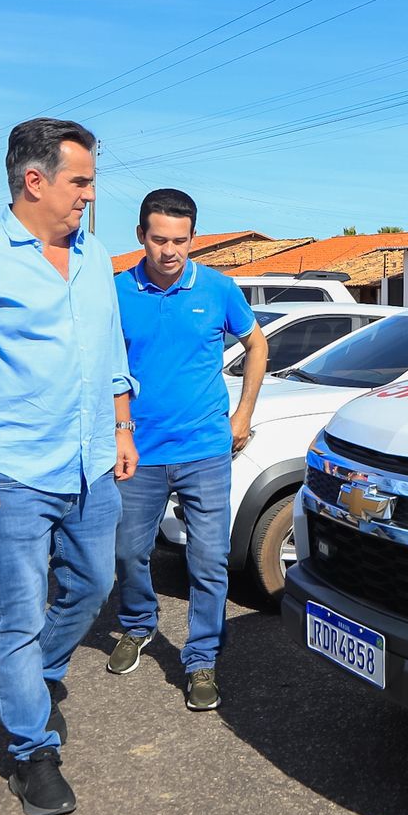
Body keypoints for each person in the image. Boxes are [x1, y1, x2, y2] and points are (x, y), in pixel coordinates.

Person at [0, 117, 136, 815]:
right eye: (81, 182)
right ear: (34, 180)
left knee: (94, 583)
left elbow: (110, 351)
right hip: (11, 469)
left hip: (90, 463)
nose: (90, 195)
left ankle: (36, 676)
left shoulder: (93, 256)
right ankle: (31, 752)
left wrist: (122, 426)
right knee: (15, 612)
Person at [108, 189, 267, 710]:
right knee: (128, 551)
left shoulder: (218, 288)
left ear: (193, 238)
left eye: (180, 240)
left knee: (209, 559)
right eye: (159, 239)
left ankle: (201, 659)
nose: (169, 251)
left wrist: (243, 413)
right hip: (139, 451)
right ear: (141, 236)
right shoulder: (116, 292)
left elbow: (257, 344)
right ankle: (138, 623)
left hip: (204, 449)